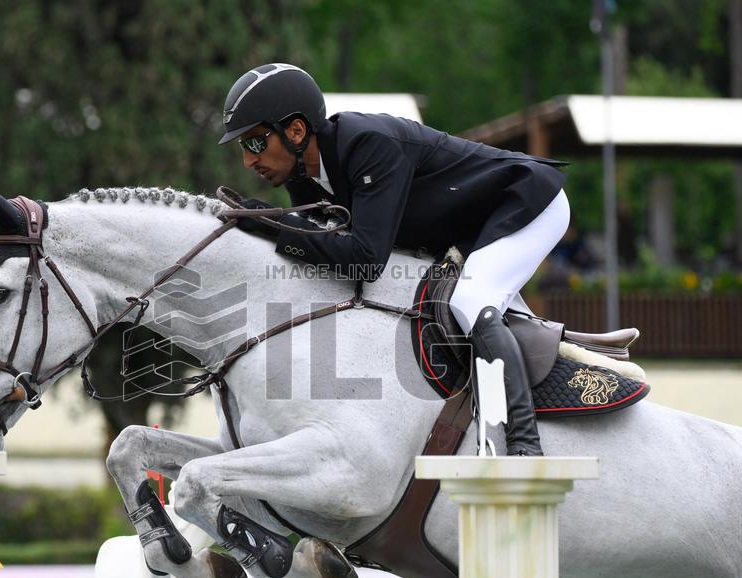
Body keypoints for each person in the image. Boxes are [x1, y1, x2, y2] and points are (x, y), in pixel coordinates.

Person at [218, 63, 570, 457]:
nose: (249, 161)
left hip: (527, 202)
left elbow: (365, 261)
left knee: (471, 301)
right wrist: (279, 226)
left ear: (296, 131)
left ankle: (525, 445)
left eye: (254, 143)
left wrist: (276, 226)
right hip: (475, 228)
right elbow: (322, 251)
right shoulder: (303, 175)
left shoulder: (367, 144)